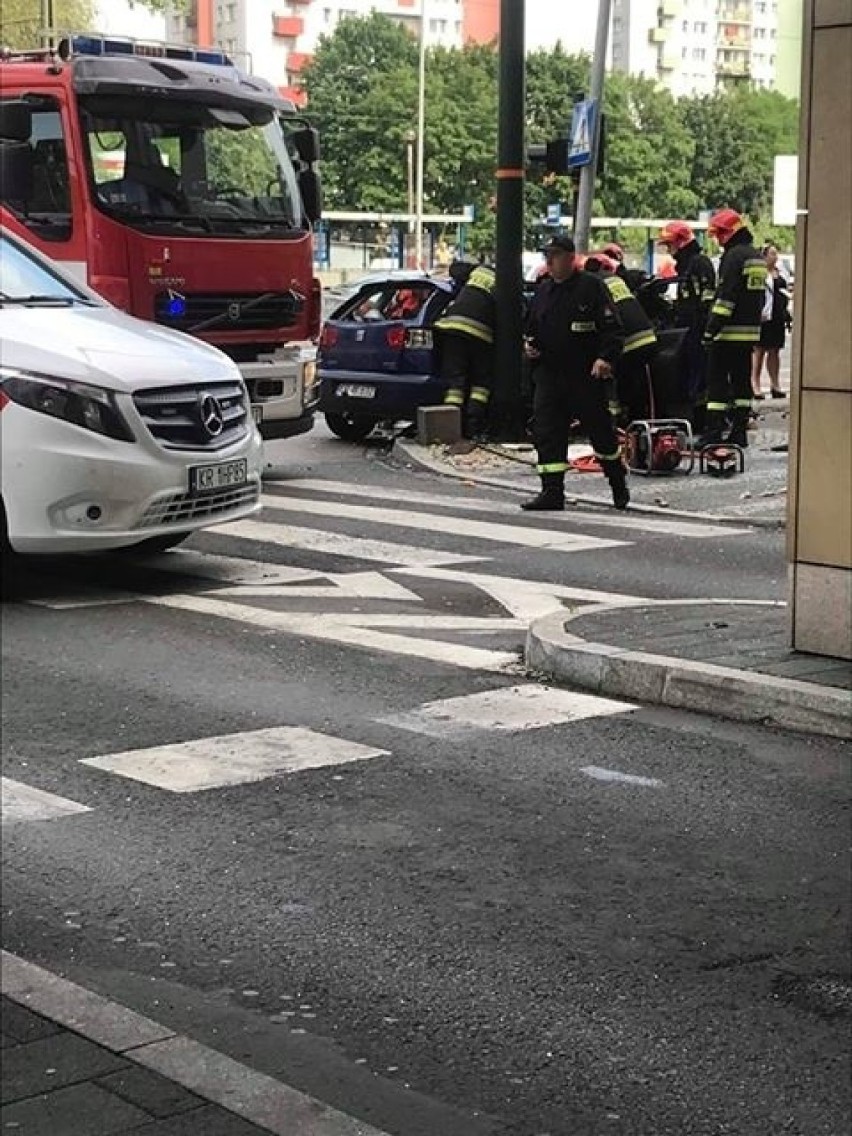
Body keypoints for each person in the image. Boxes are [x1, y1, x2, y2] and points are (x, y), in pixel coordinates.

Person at [522, 235, 629, 511]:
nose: (549, 261)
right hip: (549, 374)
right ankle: (551, 491)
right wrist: (529, 346)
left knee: (600, 432)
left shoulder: (591, 287)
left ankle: (617, 483)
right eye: (547, 256)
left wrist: (605, 358)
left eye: (555, 256)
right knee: (547, 432)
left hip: (584, 375)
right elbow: (531, 328)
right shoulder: (544, 292)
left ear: (570, 258)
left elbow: (613, 329)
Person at [702, 209, 767, 447]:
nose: (717, 240)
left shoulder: (733, 257)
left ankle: (713, 433)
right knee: (742, 384)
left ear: (729, 233)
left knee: (717, 384)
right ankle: (739, 432)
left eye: (719, 234)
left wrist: (710, 330)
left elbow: (726, 298)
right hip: (749, 333)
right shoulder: (756, 257)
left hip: (727, 333)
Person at [586, 252, 658, 423]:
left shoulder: (592, 285)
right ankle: (638, 424)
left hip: (627, 343)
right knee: (636, 385)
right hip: (647, 338)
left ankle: (616, 423)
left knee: (611, 381)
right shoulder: (615, 280)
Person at [657, 220, 716, 421]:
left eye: (670, 244)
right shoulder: (686, 265)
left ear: (681, 242)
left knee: (699, 375)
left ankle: (701, 417)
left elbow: (706, 298)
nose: (668, 250)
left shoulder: (699, 263)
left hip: (697, 329)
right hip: (687, 329)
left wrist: (703, 327)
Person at [433, 263, 496, 438]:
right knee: (480, 384)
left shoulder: (479, 270)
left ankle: (451, 427)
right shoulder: (508, 285)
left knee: (455, 383)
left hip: (452, 326)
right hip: (480, 334)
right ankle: (473, 426)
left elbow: (456, 269)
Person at [751, 244, 792, 399]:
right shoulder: (760, 274)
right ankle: (755, 384)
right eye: (772, 254)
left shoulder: (780, 273)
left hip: (777, 316)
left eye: (776, 254)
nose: (775, 257)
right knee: (758, 351)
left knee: (774, 351)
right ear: (764, 256)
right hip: (763, 316)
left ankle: (775, 385)